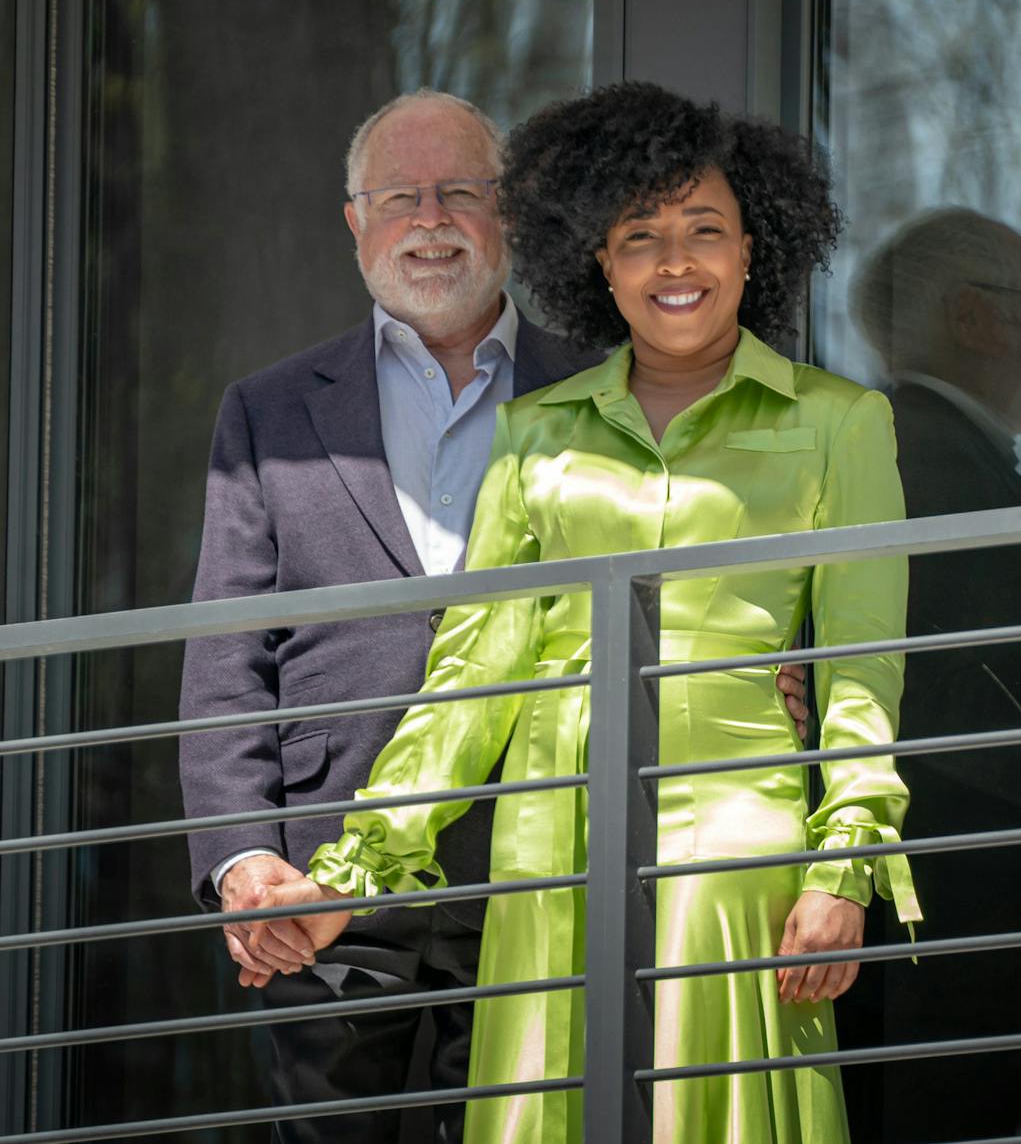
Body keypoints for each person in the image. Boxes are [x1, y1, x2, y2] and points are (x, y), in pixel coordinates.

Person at [261, 80, 922, 1144]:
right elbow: (471, 682)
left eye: (704, 230)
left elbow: (861, 664)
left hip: (736, 864)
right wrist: (354, 869)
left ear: (755, 250)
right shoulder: (535, 433)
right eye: (638, 236)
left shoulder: (839, 424)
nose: (674, 261)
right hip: (547, 860)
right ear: (594, 265)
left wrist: (843, 863)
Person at [177, 89, 780, 1144]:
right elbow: (227, 651)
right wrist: (241, 854)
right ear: (354, 221)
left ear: (513, 214)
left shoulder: (605, 388)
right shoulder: (268, 408)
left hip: (544, 859)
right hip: (327, 871)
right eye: (398, 195)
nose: (431, 217)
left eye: (461, 190)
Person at [836, 209, 1021, 1139]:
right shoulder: (928, 467)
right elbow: (974, 692)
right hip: (961, 919)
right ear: (976, 318)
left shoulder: (911, 452)